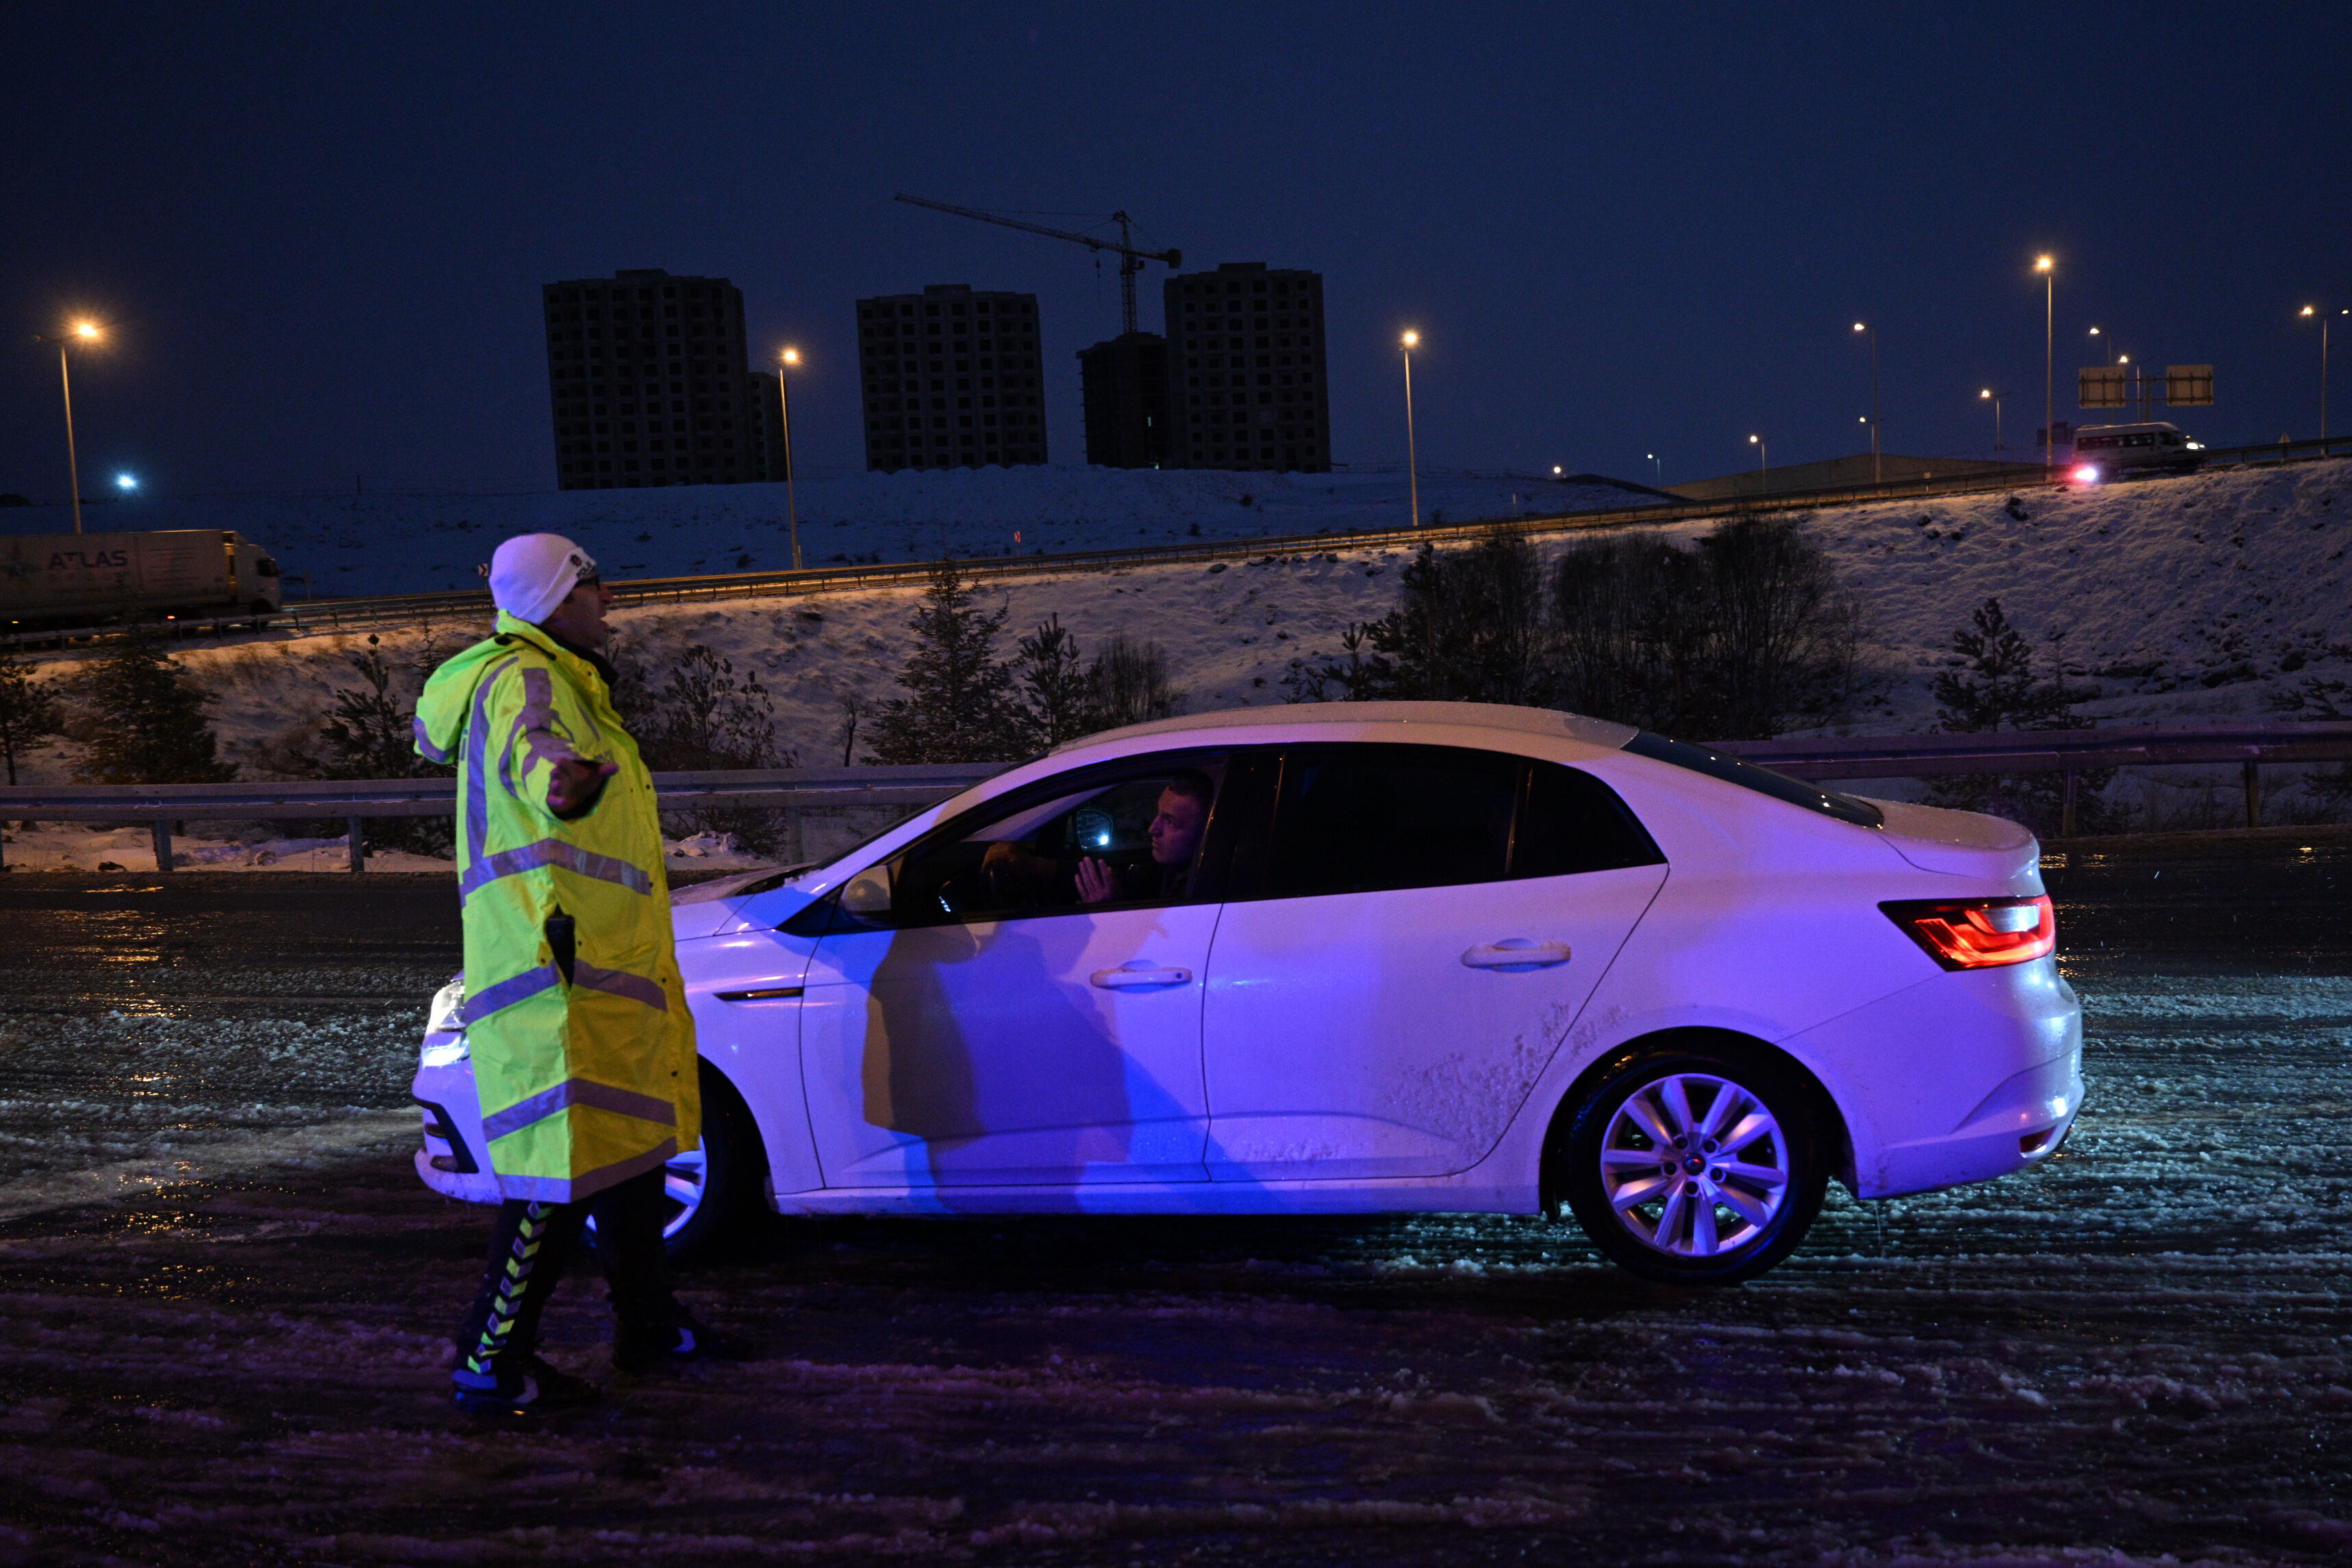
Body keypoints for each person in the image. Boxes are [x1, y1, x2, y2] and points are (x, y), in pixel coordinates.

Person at [413, 532, 745, 1416]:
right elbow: (535, 752)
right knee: (553, 1176)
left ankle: (646, 1326)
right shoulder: (525, 677)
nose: (607, 601)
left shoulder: (567, 675)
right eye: (593, 587)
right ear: (554, 598)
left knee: (629, 1154)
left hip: (595, 963)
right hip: (550, 972)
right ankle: (490, 1360)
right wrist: (563, 779)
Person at [1073, 770, 1213, 905]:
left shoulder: (1201, 893)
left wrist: (1107, 912)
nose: (1152, 829)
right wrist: (1053, 869)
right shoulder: (1170, 868)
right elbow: (1123, 880)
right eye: (1158, 813)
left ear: (1203, 833)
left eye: (1170, 822)